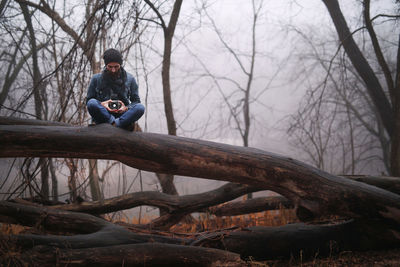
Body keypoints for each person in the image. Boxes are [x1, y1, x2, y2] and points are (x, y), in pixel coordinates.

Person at [86, 48, 145, 130]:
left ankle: (116, 123)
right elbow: (89, 101)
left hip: (123, 116)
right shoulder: (96, 79)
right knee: (92, 103)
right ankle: (115, 123)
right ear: (106, 65)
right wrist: (103, 104)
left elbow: (136, 101)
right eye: (110, 67)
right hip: (103, 115)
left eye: (116, 67)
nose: (113, 70)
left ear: (120, 65)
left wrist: (126, 108)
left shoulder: (130, 79)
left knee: (140, 108)